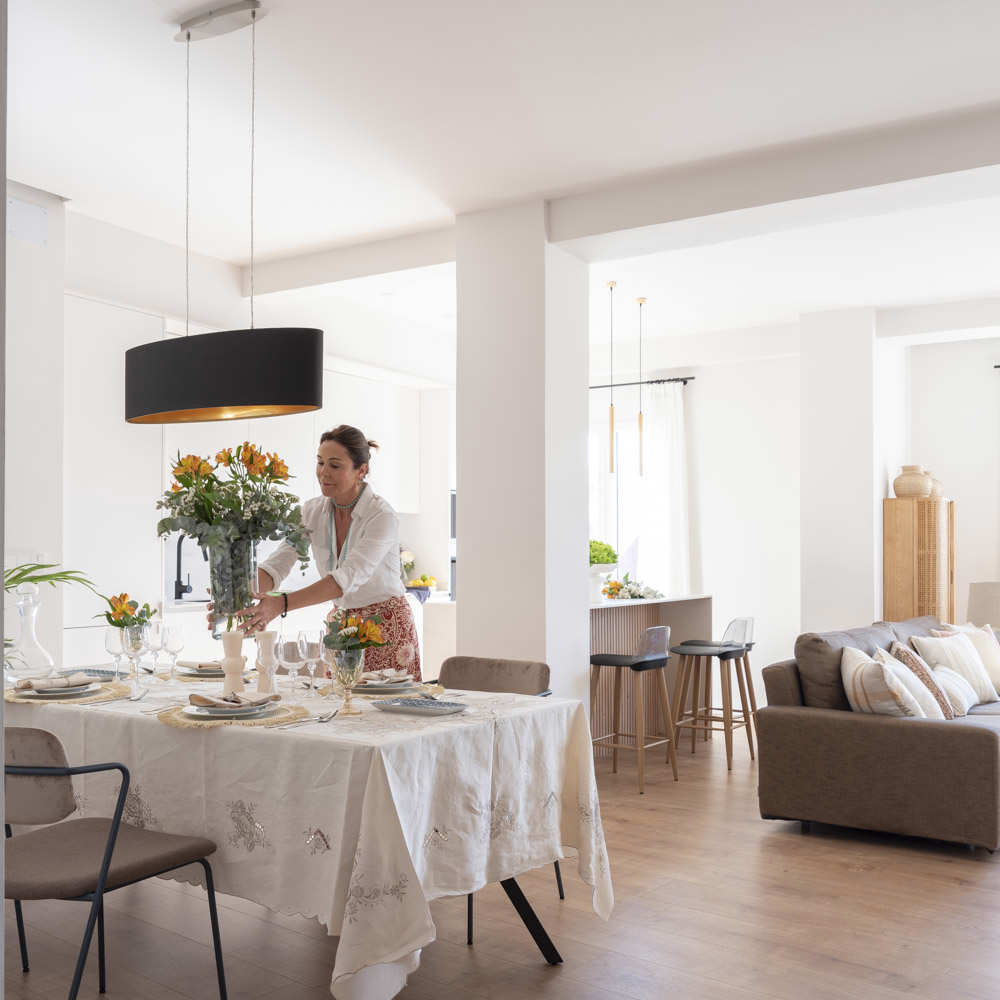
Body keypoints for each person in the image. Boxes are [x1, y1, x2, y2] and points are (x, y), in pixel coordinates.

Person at [235, 424, 421, 679]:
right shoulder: (311, 512)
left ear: (361, 470)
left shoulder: (381, 516)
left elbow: (348, 577)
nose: (323, 472)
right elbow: (278, 564)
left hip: (385, 625)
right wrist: (234, 592)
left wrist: (282, 603)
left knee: (383, 713)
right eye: (320, 462)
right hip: (341, 626)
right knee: (338, 713)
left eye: (335, 465)